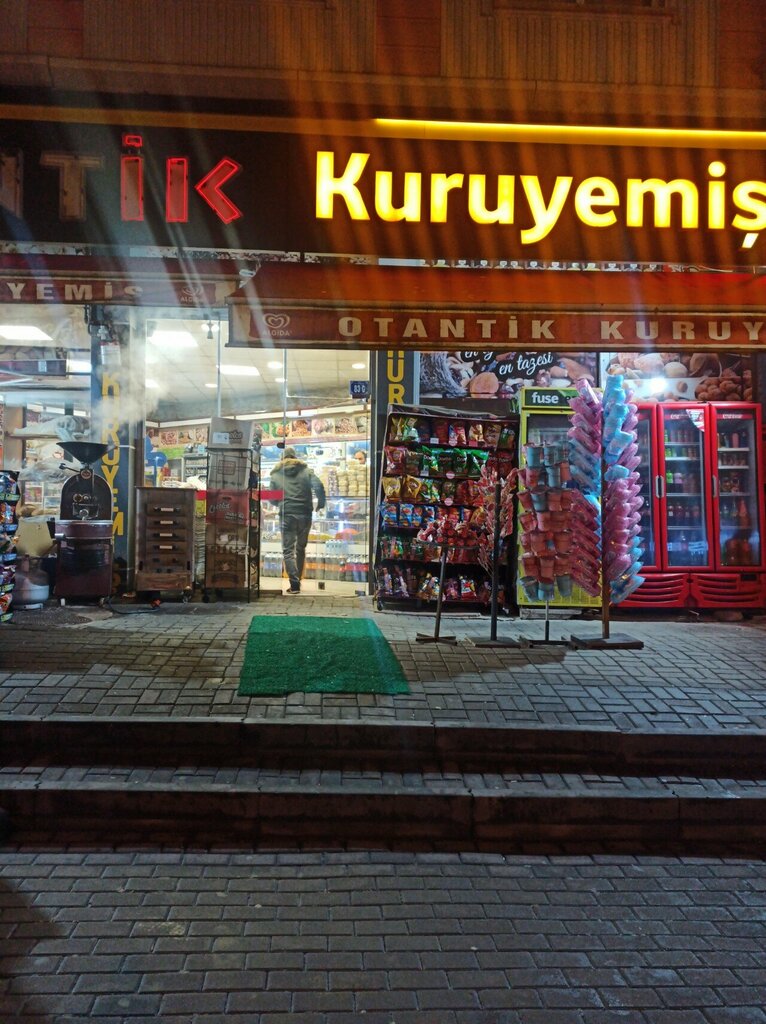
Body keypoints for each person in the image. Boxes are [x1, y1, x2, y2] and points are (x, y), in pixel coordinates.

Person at [269, 446, 326, 595]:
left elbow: (271, 497)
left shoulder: (276, 474)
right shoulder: (306, 471)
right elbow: (319, 485)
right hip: (305, 513)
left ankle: (294, 585)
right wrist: (320, 503)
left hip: (287, 514)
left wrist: (280, 503)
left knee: (288, 551)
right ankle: (298, 580)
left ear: (282, 458)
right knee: (301, 549)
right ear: (295, 457)